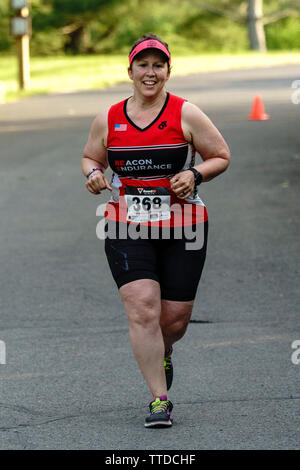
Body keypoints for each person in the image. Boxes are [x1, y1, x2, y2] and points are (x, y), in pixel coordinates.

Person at [82, 33, 230, 428]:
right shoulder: (109, 118)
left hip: (185, 226)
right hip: (126, 223)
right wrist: (95, 173)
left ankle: (163, 352)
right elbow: (90, 157)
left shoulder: (187, 114)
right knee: (142, 306)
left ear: (168, 70)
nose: (151, 73)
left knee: (174, 318)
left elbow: (221, 155)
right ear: (129, 70)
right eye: (143, 65)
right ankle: (159, 399)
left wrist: (195, 174)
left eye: (158, 65)